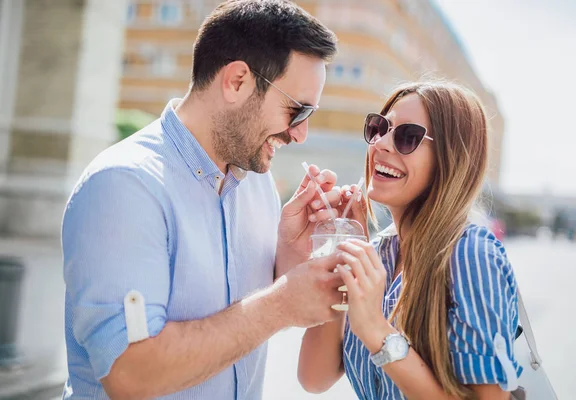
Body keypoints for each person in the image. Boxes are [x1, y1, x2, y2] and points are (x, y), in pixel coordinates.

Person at [61, 1, 345, 398]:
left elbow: (249, 313)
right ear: (237, 81)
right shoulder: (124, 185)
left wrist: (289, 255)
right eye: (297, 111)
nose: (301, 134)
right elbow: (131, 375)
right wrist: (280, 303)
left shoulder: (257, 183)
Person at [298, 81, 523, 400]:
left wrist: (377, 330)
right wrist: (340, 253)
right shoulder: (379, 252)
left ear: (450, 157)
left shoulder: (471, 254)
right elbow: (314, 378)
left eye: (408, 136)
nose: (382, 144)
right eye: (379, 128)